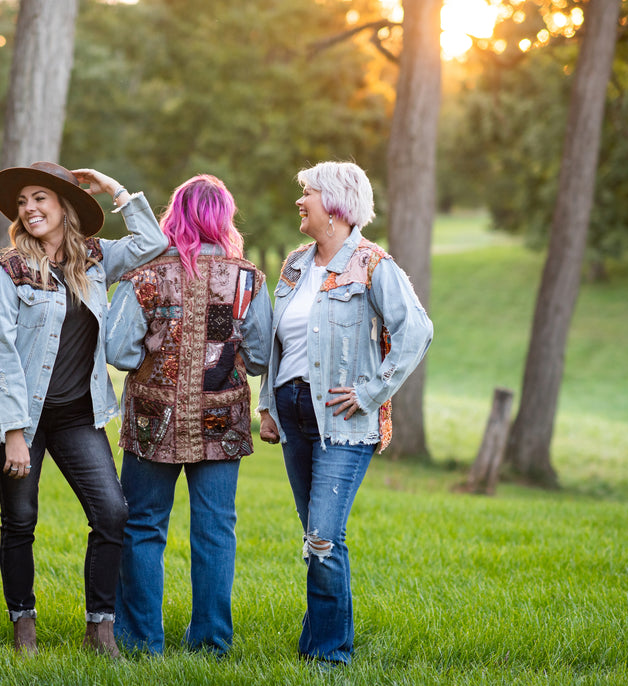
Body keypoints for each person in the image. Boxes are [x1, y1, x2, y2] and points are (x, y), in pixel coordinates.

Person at [0, 162, 168, 659]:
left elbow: (153, 242)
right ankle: (24, 627)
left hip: (77, 414)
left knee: (112, 513)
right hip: (20, 419)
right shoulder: (10, 271)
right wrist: (15, 432)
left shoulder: (95, 260)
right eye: (23, 202)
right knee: (20, 520)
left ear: (64, 206)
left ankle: (99, 628)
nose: (29, 209)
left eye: (40, 198)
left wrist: (116, 191)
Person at [257, 161, 433, 666]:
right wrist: (267, 406)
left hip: (342, 422)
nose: (299, 201)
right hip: (292, 413)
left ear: (333, 205)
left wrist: (371, 391)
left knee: (324, 536)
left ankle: (331, 655)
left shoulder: (373, 264)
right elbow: (278, 343)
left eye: (306, 193)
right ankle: (318, 643)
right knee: (315, 536)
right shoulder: (294, 264)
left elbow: (416, 331)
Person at [106, 174, 272, 656]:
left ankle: (139, 641)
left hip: (152, 419)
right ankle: (212, 643)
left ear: (173, 217)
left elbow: (118, 350)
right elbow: (260, 358)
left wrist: (152, 359)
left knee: (143, 528)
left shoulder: (147, 276)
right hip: (222, 420)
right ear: (224, 219)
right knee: (216, 530)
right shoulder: (247, 279)